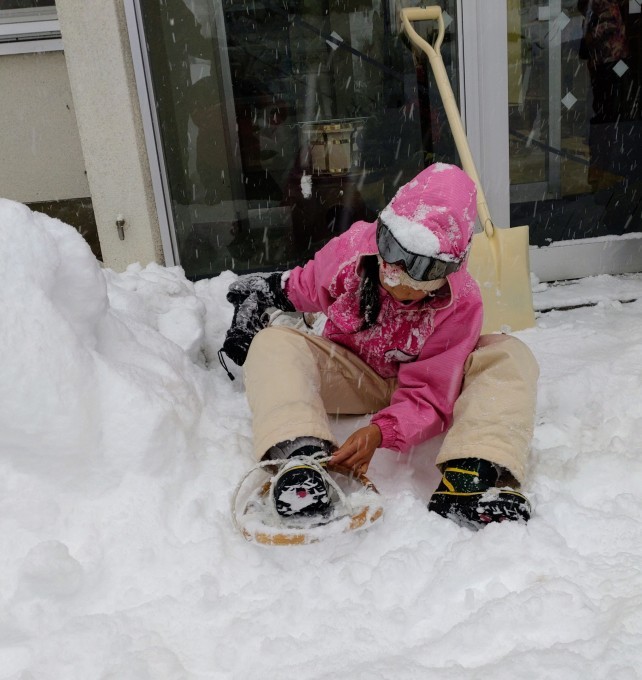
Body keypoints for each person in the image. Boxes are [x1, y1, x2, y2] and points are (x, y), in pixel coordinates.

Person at [219, 163, 539, 529]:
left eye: (416, 264)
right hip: (354, 374)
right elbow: (307, 284)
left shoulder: (462, 302)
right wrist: (268, 291)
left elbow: (430, 394)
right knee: (273, 341)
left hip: (434, 385)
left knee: (510, 355)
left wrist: (382, 431)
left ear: (445, 270)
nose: (392, 270)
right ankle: (301, 460)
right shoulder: (355, 249)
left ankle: (470, 479)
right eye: (389, 246)